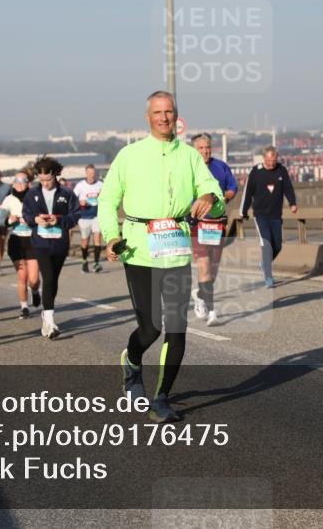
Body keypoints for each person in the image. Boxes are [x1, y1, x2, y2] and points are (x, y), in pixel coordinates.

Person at [101, 91, 224, 423]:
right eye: (158, 112)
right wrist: (112, 235)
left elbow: (215, 194)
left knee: (177, 329)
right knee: (151, 328)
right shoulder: (129, 155)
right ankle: (132, 360)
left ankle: (161, 398)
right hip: (140, 249)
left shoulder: (189, 156)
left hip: (176, 249)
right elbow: (107, 199)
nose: (164, 117)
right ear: (148, 117)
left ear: (176, 115)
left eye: (169, 112)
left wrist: (211, 197)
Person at [23, 156, 82, 339]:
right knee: (47, 277)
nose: (45, 184)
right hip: (40, 243)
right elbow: (26, 214)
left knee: (53, 280)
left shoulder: (67, 194)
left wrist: (60, 220)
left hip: (60, 243)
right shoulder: (32, 194)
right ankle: (49, 321)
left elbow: (75, 215)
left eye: (48, 180)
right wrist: (35, 220)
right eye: (41, 180)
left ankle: (46, 314)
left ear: (56, 175)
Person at [189, 133, 238, 326]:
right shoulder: (189, 169)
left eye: (207, 147)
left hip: (217, 224)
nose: (205, 151)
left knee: (213, 269)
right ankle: (212, 311)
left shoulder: (221, 167)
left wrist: (222, 198)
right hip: (197, 225)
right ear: (195, 150)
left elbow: (232, 188)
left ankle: (200, 294)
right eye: (201, 148)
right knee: (204, 264)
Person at [239, 146, 298, 287]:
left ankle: (264, 264)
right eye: (269, 160)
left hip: (276, 215)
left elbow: (288, 188)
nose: (271, 163)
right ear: (264, 158)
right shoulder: (256, 172)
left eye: (274, 160)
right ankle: (269, 277)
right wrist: (244, 211)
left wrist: (292, 203)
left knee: (277, 246)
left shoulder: (281, 170)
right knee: (267, 245)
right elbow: (248, 192)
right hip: (261, 215)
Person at [4, 171, 42, 318]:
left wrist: (32, 219)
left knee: (33, 279)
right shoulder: (9, 199)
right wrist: (9, 220)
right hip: (16, 240)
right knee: (22, 276)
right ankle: (24, 307)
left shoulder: (35, 197)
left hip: (32, 239)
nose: (20, 183)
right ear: (13, 183)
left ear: (29, 183)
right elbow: (1, 219)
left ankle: (34, 291)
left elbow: (42, 215)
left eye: (23, 180)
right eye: (17, 181)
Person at [73, 165, 105, 273]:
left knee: (97, 238)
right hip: (84, 217)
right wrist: (80, 203)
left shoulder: (100, 184)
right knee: (85, 241)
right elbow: (72, 199)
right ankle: (84, 260)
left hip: (97, 215)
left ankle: (96, 263)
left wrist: (102, 197)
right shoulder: (80, 185)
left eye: (93, 173)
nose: (92, 175)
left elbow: (106, 197)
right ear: (86, 173)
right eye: (90, 173)